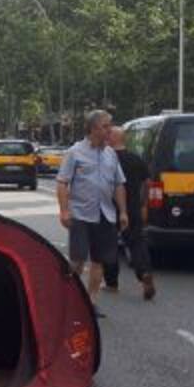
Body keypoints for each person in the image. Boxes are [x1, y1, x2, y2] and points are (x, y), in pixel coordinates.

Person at [56, 110, 128, 314]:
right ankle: (67, 297)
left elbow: (119, 184)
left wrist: (123, 212)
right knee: (77, 261)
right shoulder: (75, 152)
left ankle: (90, 302)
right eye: (106, 126)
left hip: (106, 215)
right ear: (93, 128)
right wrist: (64, 211)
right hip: (81, 214)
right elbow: (62, 183)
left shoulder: (110, 153)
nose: (110, 130)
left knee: (99, 260)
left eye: (110, 125)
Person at [103, 126, 156, 300]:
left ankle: (111, 283)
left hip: (109, 208)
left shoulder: (105, 159)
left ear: (112, 139)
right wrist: (143, 203)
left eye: (107, 135)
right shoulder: (136, 159)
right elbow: (148, 183)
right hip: (133, 208)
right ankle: (144, 272)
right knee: (136, 242)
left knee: (109, 244)